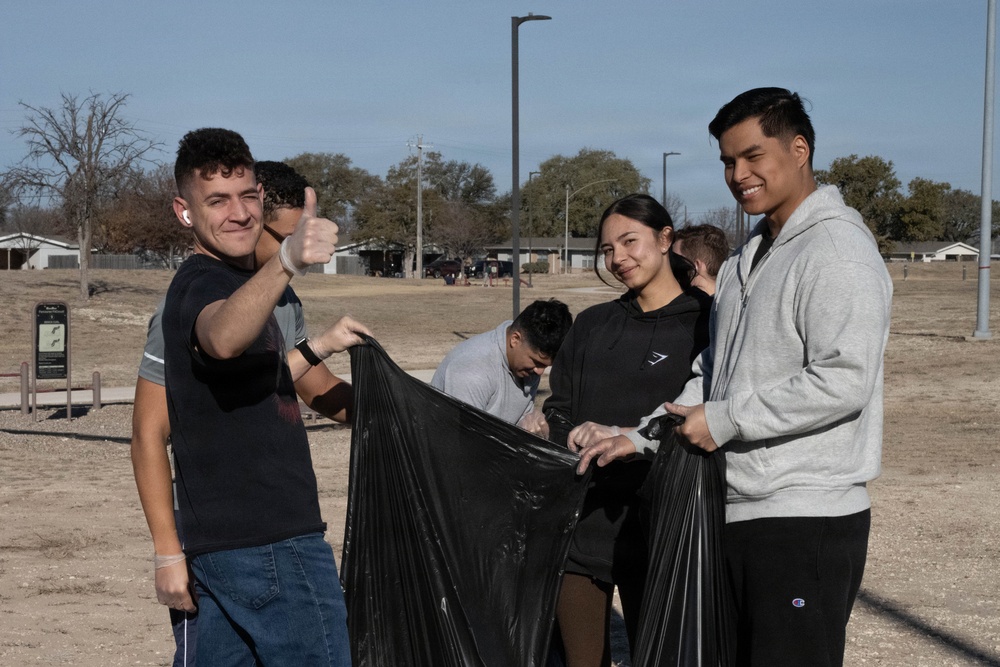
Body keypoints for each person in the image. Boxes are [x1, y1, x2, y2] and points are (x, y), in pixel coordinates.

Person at [577, 88, 893, 667]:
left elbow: (844, 377)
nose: (737, 174)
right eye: (727, 161)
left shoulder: (837, 250)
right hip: (739, 508)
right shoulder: (751, 255)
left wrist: (724, 421)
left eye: (752, 156)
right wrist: (639, 435)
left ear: (799, 149)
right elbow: (714, 373)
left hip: (805, 519)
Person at [129, 160, 361, 665]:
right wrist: (168, 552)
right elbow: (149, 432)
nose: (240, 218)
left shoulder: (283, 299)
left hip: (252, 540)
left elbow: (303, 384)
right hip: (258, 541)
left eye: (247, 202)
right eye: (288, 235)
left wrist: (394, 409)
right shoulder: (192, 298)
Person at [542, 194, 711, 667]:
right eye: (607, 249)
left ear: (664, 238)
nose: (618, 258)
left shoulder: (708, 323)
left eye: (629, 241)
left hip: (663, 531)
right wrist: (571, 434)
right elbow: (558, 409)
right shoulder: (594, 324)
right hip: (583, 530)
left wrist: (629, 438)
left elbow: (707, 417)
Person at [431, 298, 571, 436]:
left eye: (545, 366)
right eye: (536, 362)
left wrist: (529, 421)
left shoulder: (526, 366)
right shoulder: (473, 370)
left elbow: (518, 419)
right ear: (515, 339)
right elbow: (462, 440)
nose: (540, 371)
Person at [671, 223, 730, 295]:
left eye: (677, 260)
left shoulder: (688, 304)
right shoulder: (731, 301)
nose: (672, 265)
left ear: (696, 266)